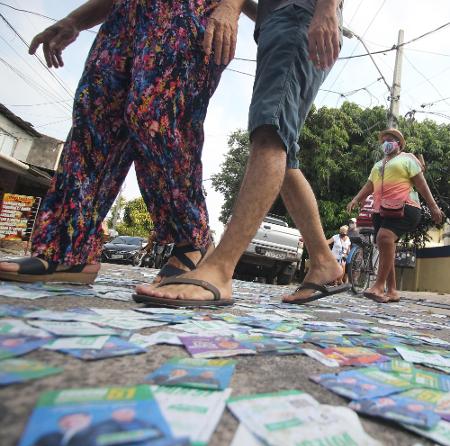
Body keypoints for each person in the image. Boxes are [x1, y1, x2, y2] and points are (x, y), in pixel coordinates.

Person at [0, 0, 254, 285]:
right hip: (127, 13)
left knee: (155, 116)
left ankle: (193, 241)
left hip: (193, 11)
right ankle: (67, 249)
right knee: (94, 116)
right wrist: (74, 19)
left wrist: (231, 6)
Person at [134, 0, 349, 306]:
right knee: (283, 150)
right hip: (283, 18)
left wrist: (326, 8)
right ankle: (323, 261)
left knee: (269, 131)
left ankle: (220, 268)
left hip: (299, 12)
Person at [346, 128, 444, 303]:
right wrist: (356, 199)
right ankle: (392, 291)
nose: (386, 142)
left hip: (406, 207)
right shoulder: (377, 165)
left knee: (384, 238)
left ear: (399, 143)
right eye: (384, 140)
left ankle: (378, 286)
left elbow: (421, 184)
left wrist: (434, 207)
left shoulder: (407, 159)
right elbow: (369, 185)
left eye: (390, 139)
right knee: (385, 246)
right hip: (380, 210)